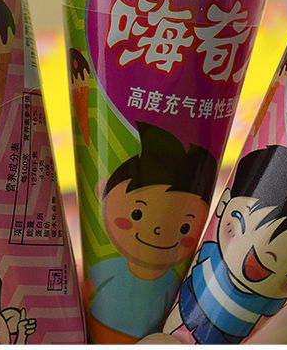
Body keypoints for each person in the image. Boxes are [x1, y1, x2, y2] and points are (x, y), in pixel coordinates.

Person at [163, 145, 287, 343]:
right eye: (236, 228)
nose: (267, 260)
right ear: (224, 204)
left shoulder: (272, 303)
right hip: (184, 310)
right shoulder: (210, 256)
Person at [85, 121, 217, 342]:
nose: (159, 230)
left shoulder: (169, 282)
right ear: (103, 192)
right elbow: (89, 288)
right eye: (137, 214)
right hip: (99, 325)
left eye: (184, 227)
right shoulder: (113, 267)